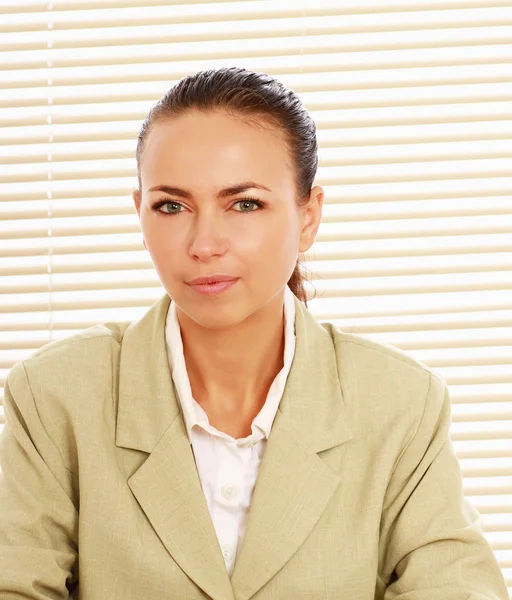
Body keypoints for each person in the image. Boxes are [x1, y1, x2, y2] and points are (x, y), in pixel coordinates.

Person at [0, 67, 507, 600]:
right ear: (140, 214)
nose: (204, 243)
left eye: (245, 203)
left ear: (308, 217)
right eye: (171, 206)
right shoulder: (54, 394)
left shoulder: (401, 402)